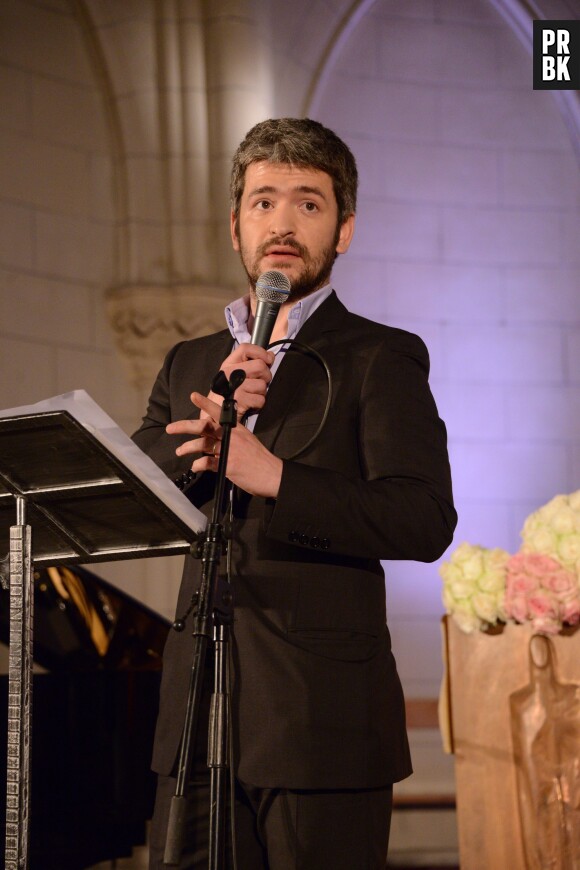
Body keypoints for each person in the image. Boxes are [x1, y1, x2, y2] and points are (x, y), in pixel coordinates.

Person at [133, 117, 456, 869]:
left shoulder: (380, 356)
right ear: (236, 227)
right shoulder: (192, 359)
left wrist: (274, 477)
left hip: (321, 722)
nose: (282, 222)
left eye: (308, 203)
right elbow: (143, 474)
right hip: (194, 719)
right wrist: (207, 439)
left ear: (343, 230)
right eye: (264, 201)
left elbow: (422, 518)